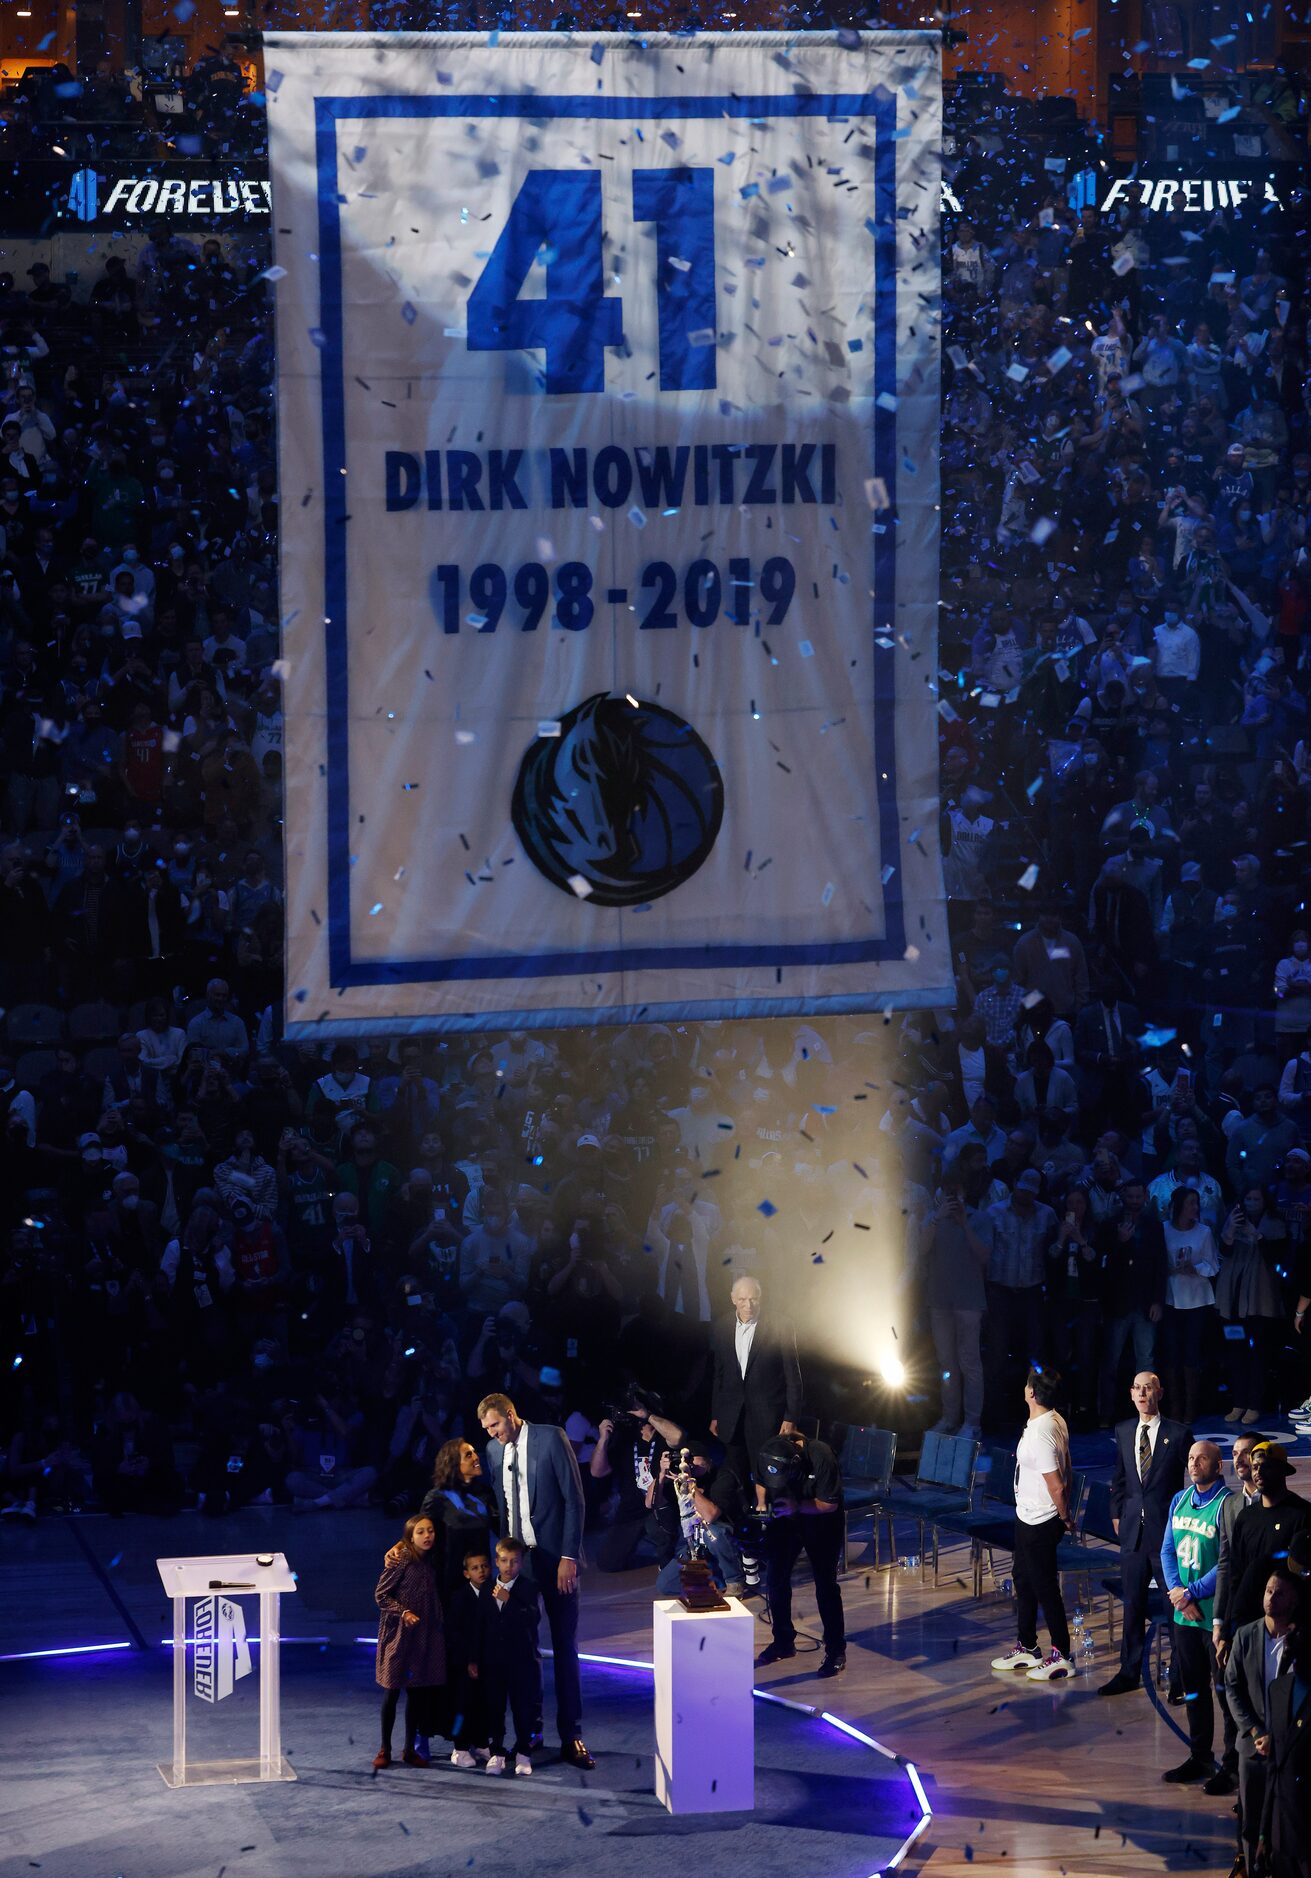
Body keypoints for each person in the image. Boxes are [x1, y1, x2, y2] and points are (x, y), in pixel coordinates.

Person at [477, 1392, 594, 1769]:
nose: (492, 1433)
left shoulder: (550, 1437)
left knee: (564, 1645)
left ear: (511, 1415)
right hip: (520, 1566)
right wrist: (504, 1565)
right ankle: (531, 1732)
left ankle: (571, 1734)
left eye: (495, 1424)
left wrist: (568, 1556)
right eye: (487, 1428)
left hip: (556, 1559)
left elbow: (574, 1500)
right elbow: (503, 1509)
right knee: (523, 1652)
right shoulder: (494, 1453)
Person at [1100, 1370, 1192, 1696]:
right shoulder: (1124, 1431)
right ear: (1131, 1393)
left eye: (1148, 1388)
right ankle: (1129, 1673)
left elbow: (1196, 1478)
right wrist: (1116, 1512)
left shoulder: (1178, 1434)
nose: (1142, 1394)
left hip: (1166, 1537)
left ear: (1159, 1393)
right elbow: (1120, 1477)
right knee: (1133, 1606)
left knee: (1174, 1610)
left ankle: (1181, 1678)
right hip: (1132, 1535)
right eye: (1137, 1388)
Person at [990, 1366, 1075, 1682]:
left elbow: (1056, 1484)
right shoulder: (1050, 1419)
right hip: (1027, 1515)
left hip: (1041, 1519)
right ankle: (1027, 1645)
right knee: (1023, 1578)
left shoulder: (1041, 1433)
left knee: (1045, 1587)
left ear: (1032, 1393)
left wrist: (1065, 1516)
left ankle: (1062, 1655)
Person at [1159, 1440, 1231, 1783]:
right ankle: (1200, 1756)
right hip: (1183, 1615)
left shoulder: (1226, 1504)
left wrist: (1190, 1593)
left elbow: (1225, 1563)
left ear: (1219, 1465)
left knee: (1225, 1694)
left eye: (1202, 1458)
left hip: (1212, 1617)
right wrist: (1178, 1596)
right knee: (1193, 1691)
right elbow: (1166, 1552)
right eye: (1190, 1458)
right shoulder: (1179, 1499)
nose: (1194, 1463)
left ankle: (1232, 1766)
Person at [1226, 1568, 1303, 1877]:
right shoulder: (1246, 1635)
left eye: (1279, 1592)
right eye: (1269, 1591)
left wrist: (1280, 1738)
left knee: (1286, 1820)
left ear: (1294, 1599)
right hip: (1253, 1746)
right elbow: (1232, 1687)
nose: (1271, 1597)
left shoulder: (1302, 1641)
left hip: (1289, 1751)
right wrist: (1256, 1730)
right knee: (1251, 1819)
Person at [754, 1429, 846, 1679]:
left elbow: (829, 1504)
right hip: (787, 1518)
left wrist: (797, 1507)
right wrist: (762, 1503)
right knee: (775, 1579)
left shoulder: (821, 1456)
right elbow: (761, 1479)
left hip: (822, 1521)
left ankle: (836, 1650)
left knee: (825, 1585)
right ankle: (783, 1641)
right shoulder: (769, 1450)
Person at [709, 1274, 802, 1506]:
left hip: (767, 1414)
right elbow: (719, 1375)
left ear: (761, 1299)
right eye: (742, 1299)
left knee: (769, 1471)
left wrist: (790, 1416)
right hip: (732, 1415)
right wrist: (716, 1414)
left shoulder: (781, 1324)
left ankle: (771, 1520)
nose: (748, 1305)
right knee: (735, 1472)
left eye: (753, 1299)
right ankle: (743, 1522)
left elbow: (793, 1375)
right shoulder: (721, 1326)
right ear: (733, 1299)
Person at [372, 1512, 446, 1770]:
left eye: (430, 1531)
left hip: (423, 1634)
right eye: (421, 1532)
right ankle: (385, 1748)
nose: (427, 1536)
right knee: (392, 1691)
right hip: (400, 1634)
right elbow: (381, 1595)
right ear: (409, 1537)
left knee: (416, 1693)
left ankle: (408, 1749)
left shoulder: (432, 1559)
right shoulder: (402, 1557)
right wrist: (403, 1612)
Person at [1218, 1443, 1311, 1640]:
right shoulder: (1246, 1517)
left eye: (1266, 1466)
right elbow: (1235, 1576)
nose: (1258, 1472)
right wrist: (1226, 1631)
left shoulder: (1303, 1515)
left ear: (1282, 1470)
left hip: (1287, 1628)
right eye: (1254, 1467)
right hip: (1247, 1625)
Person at [471, 1537, 544, 1778]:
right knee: (495, 1708)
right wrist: (474, 1659)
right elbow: (479, 1626)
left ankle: (523, 1752)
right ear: (497, 1561)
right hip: (493, 1662)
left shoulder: (528, 1587)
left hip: (521, 1661)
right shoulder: (485, 1589)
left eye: (514, 1561)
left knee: (522, 1707)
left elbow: (532, 1618)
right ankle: (497, 1753)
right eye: (504, 1561)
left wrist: (509, 1601)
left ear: (521, 1563)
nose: (508, 1566)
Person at [651, 1437, 749, 1598]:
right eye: (685, 1460)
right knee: (665, 1585)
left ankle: (734, 1581)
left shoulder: (722, 1476)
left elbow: (710, 1516)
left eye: (693, 1459)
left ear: (708, 1460)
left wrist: (689, 1484)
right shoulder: (676, 1476)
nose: (689, 1464)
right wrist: (661, 1475)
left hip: (726, 1538)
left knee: (712, 1532)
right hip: (695, 1543)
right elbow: (651, 1503)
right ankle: (714, 1582)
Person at [418, 1438, 499, 1606]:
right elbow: (420, 1535)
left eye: (475, 1452)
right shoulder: (437, 1497)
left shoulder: (485, 1493)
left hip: (481, 1579)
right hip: (449, 1582)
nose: (476, 1457)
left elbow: (502, 1529)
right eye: (468, 1455)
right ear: (453, 1463)